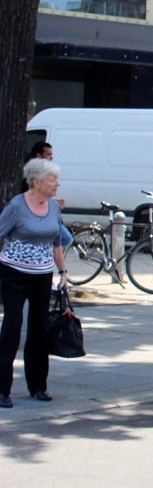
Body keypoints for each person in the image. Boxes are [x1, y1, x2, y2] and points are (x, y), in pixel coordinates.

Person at [0, 159, 68, 408]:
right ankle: (2, 389)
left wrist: (63, 272)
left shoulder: (54, 208)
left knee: (39, 329)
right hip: (14, 273)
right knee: (12, 326)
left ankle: (38, 386)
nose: (57, 184)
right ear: (36, 182)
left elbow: (56, 242)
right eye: (53, 180)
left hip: (42, 276)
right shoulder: (17, 206)